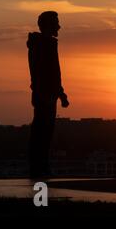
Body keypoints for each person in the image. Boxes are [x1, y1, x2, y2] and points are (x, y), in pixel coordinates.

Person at [27, 11, 69, 178]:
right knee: (41, 132)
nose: (59, 26)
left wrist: (61, 94)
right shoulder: (41, 44)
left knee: (45, 132)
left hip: (47, 94)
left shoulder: (47, 44)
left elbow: (54, 73)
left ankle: (41, 166)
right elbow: (43, 72)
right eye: (55, 23)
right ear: (47, 25)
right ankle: (38, 167)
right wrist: (55, 93)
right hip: (44, 94)